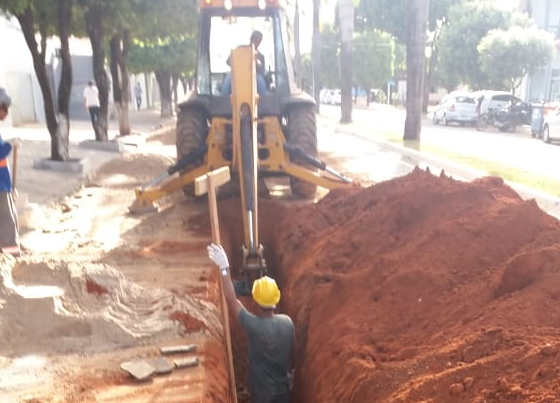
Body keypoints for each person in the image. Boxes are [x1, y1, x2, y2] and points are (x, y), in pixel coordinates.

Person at [207, 243, 295, 403]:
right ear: (276, 299)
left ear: (255, 300)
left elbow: (232, 300)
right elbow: (292, 358)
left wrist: (224, 268)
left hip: (261, 394)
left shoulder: (253, 325)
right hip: (283, 391)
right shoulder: (288, 323)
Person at [0, 87, 21, 257]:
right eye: (5, 108)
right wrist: (10, 145)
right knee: (7, 219)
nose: (7, 113)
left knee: (9, 216)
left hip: (3, 183)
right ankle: (11, 253)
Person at [221, 30, 267, 96]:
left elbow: (262, 71)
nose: (256, 42)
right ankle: (223, 98)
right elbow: (228, 61)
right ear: (251, 39)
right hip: (237, 73)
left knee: (260, 80)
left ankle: (263, 99)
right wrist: (237, 64)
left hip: (253, 76)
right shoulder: (239, 49)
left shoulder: (260, 56)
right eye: (255, 39)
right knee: (228, 78)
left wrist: (257, 65)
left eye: (259, 40)